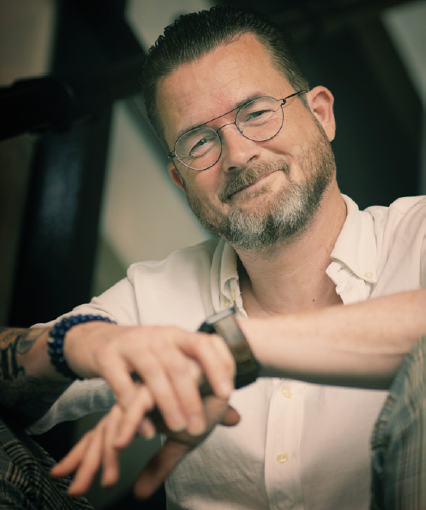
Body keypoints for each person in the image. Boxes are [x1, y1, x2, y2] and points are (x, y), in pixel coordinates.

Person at [3, 5, 426, 510]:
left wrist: (231, 349)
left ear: (321, 114)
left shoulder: (418, 233)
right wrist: (70, 343)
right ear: (180, 180)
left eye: (257, 113)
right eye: (200, 141)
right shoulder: (155, 294)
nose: (238, 155)